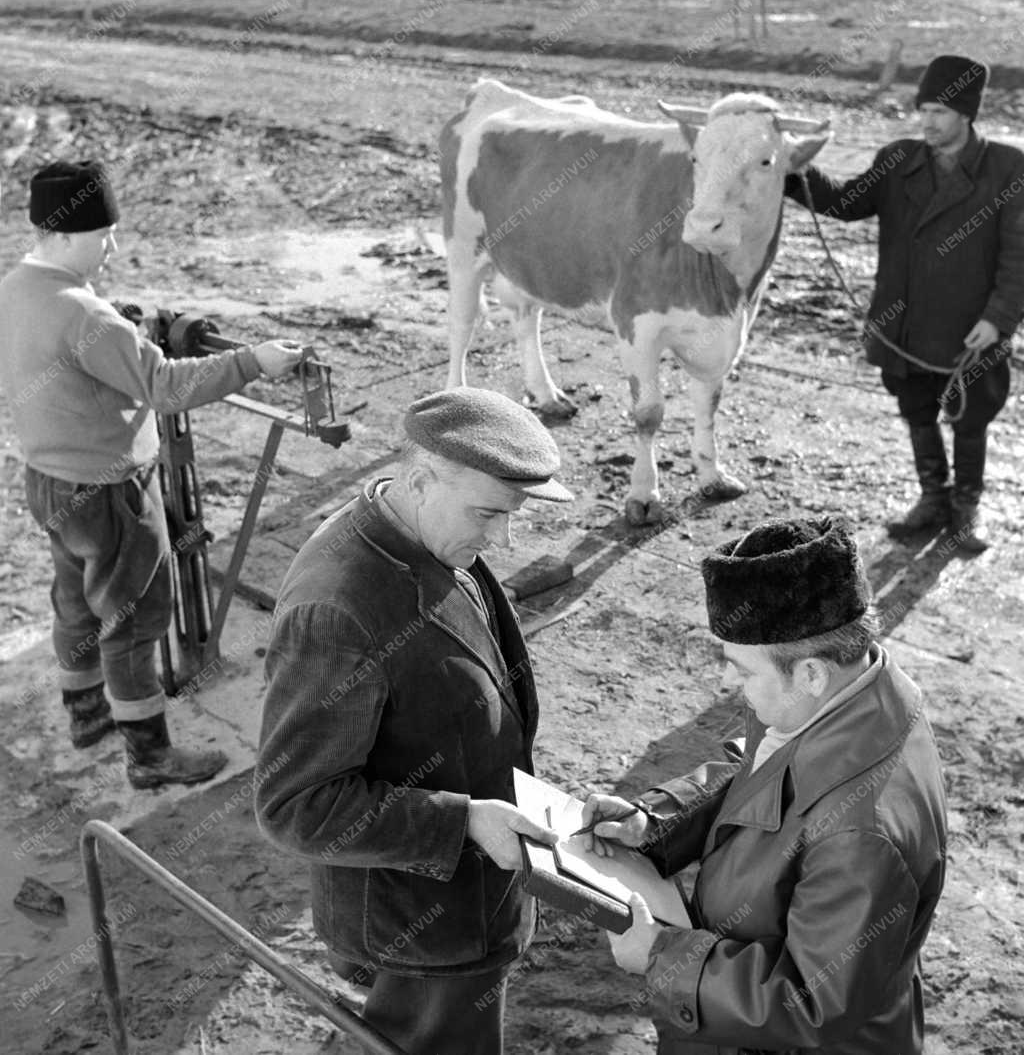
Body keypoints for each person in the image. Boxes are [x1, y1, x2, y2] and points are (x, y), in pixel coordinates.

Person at [254, 387, 573, 1055]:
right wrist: (463, 821)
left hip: (466, 900)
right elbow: (297, 806)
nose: (502, 539)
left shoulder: (428, 530)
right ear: (423, 478)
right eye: (489, 514)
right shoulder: (338, 607)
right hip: (419, 927)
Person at [583, 517, 947, 1054]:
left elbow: (812, 1003)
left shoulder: (860, 835)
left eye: (743, 672)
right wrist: (657, 821)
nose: (733, 686)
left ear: (810, 674)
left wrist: (663, 954)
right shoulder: (842, 695)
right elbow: (758, 768)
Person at [0, 160, 304, 788]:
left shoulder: (16, 289)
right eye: (102, 233)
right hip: (110, 491)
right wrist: (255, 361)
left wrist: (121, 327)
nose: (111, 246)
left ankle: (86, 716)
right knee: (134, 621)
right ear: (63, 235)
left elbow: (74, 345)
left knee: (76, 604)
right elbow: (165, 387)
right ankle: (151, 757)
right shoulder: (87, 317)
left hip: (47, 481)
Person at [784, 54, 1024, 552]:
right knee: (916, 409)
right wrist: (797, 173)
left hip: (970, 328)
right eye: (924, 110)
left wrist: (998, 320)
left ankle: (965, 512)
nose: (928, 121)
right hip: (906, 321)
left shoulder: (1007, 168)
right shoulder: (897, 160)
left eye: (940, 111)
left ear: (966, 115)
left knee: (970, 417)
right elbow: (847, 204)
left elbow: (1018, 255)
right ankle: (932, 499)